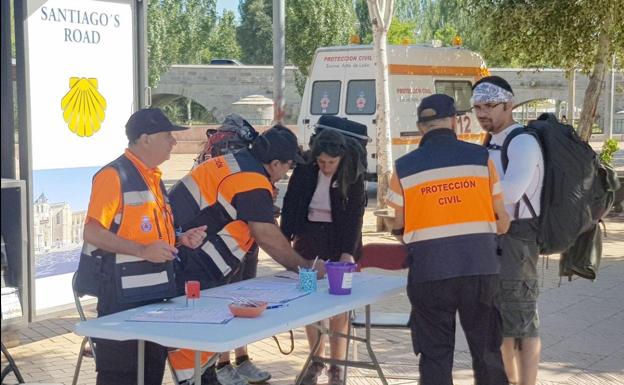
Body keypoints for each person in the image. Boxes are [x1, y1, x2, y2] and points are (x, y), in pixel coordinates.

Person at [168, 124, 326, 385]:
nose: (286, 174)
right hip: (191, 262)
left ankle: (202, 376)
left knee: (201, 345)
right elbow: (266, 235)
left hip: (185, 255)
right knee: (197, 341)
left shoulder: (238, 163)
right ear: (275, 163)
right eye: (288, 166)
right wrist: (306, 267)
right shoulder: (251, 180)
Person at [77, 108, 207, 385]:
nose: (174, 142)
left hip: (155, 294)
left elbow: (146, 231)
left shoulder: (152, 176)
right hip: (121, 300)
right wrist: (142, 251)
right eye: (168, 135)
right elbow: (91, 232)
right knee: (121, 376)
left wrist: (179, 239)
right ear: (145, 138)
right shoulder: (114, 176)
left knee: (150, 374)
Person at [387, 94, 510, 385]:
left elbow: (399, 224)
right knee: (487, 352)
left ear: (420, 127)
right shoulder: (482, 159)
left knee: (435, 355)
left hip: (430, 273)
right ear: (454, 121)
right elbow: (502, 220)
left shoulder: (404, 167)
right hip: (479, 269)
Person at [280, 126, 367, 385]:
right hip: (308, 239)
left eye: (331, 162)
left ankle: (337, 367)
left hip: (339, 239)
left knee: (338, 305)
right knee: (310, 299)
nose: (326, 167)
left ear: (341, 158)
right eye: (321, 162)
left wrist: (347, 253)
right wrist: (286, 240)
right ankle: (316, 360)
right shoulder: (306, 169)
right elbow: (291, 203)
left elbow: (355, 216)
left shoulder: (352, 171)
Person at [472, 76, 545, 385]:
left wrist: (470, 193)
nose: (482, 113)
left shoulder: (523, 141)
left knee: (522, 320)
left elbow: (512, 192)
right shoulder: (490, 141)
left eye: (489, 105)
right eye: (477, 107)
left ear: (509, 104)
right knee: (499, 321)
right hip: (492, 236)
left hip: (518, 239)